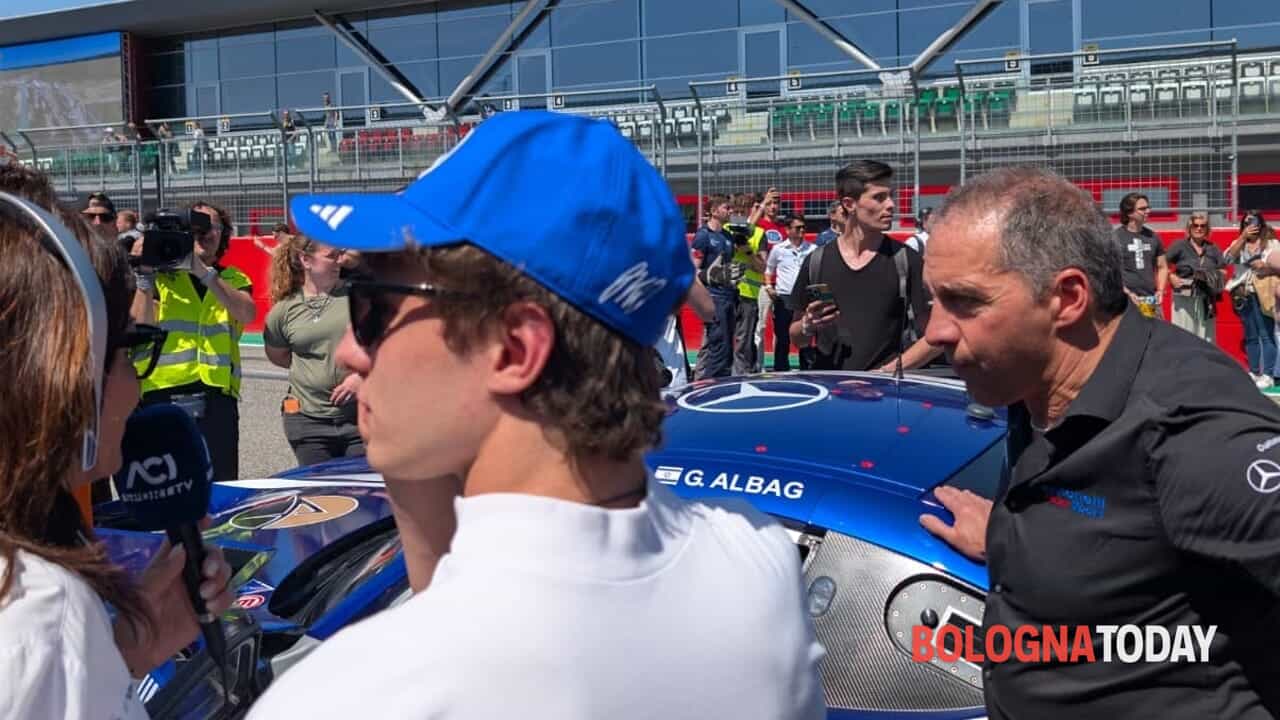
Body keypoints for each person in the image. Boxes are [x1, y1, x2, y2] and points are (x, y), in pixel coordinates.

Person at [247, 111, 826, 719]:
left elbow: (456, 636)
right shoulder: (755, 561)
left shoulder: (349, 694)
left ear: (515, 350)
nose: (348, 350)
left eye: (372, 309)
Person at [918, 166, 1280, 719]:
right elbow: (1117, 535)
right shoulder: (1033, 381)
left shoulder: (1187, 429)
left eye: (964, 302)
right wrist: (1010, 534)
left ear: (1068, 298)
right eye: (932, 300)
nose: (935, 331)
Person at [0, 176, 232, 719]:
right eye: (128, 349)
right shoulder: (40, 610)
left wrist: (121, 655)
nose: (134, 387)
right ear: (63, 374)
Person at [130, 201, 257, 481]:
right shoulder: (160, 278)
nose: (202, 234)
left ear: (223, 234)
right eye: (193, 228)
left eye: (210, 227)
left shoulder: (233, 278)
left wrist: (203, 272)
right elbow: (139, 326)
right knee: (168, 484)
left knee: (221, 484)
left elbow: (247, 313)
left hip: (217, 398)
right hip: (162, 394)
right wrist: (144, 275)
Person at [788, 159, 940, 372]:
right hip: (830, 386)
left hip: (884, 388)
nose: (891, 205)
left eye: (891, 196)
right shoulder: (817, 261)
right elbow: (797, 338)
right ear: (849, 204)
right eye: (879, 197)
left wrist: (887, 372)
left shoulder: (906, 260)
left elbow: (936, 335)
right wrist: (807, 325)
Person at [263, 234, 364, 466]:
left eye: (340, 254)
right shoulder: (284, 310)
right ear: (306, 260)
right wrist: (314, 372)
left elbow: (385, 346)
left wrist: (362, 376)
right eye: (331, 256)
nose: (339, 261)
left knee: (358, 484)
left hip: (358, 419)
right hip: (307, 422)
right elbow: (279, 356)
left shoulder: (359, 297)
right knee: (319, 486)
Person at [1226, 210, 1280, 389]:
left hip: (1264, 292)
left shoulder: (1271, 243)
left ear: (1261, 224)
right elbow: (1227, 259)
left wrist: (1266, 267)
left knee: (1266, 334)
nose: (1251, 226)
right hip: (1244, 293)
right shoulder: (1239, 243)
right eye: (1247, 223)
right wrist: (1242, 238)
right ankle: (1254, 371)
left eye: (1254, 222)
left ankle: (1268, 374)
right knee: (1250, 335)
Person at [690, 195, 738, 379]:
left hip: (728, 296)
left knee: (726, 346)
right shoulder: (703, 236)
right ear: (714, 211)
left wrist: (732, 277)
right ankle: (711, 384)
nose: (730, 211)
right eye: (727, 208)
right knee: (718, 344)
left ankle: (719, 380)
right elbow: (693, 270)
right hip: (713, 297)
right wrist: (709, 277)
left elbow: (728, 268)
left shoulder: (728, 236)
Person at [1165, 212, 1226, 343]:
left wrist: (1215, 277)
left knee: (1207, 339)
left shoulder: (1213, 248)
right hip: (1184, 299)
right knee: (1184, 337)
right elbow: (1161, 263)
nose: (1199, 228)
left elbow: (1223, 269)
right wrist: (1171, 276)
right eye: (1195, 225)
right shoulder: (1179, 245)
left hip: (1206, 299)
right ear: (1189, 228)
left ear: (1207, 229)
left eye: (1203, 226)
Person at [764, 214, 815, 371]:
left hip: (804, 297)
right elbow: (769, 270)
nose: (802, 230)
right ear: (787, 230)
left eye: (803, 227)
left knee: (805, 332)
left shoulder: (812, 249)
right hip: (784, 297)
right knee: (782, 335)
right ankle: (781, 369)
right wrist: (769, 287)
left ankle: (807, 369)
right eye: (798, 227)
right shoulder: (778, 249)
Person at [1112, 192, 1169, 318]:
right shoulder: (1115, 238)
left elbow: (1162, 267)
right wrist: (1126, 292)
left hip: (1148, 300)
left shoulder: (1153, 237)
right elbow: (1110, 272)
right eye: (1142, 209)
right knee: (1127, 330)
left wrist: (1160, 290)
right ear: (1129, 213)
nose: (1148, 211)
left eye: (1148, 208)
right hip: (1125, 301)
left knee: (1151, 329)